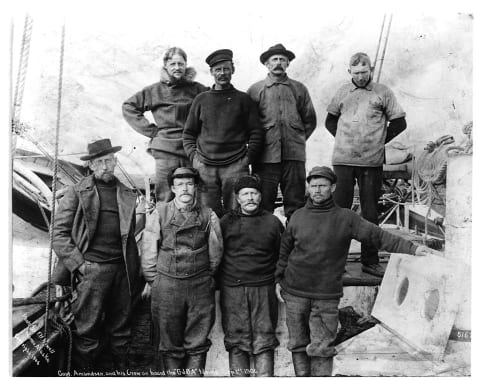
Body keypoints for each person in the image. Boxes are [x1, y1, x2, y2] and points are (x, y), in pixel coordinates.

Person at [275, 166, 431, 377]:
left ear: (333, 187)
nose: (317, 191)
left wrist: (412, 248)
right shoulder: (297, 216)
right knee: (297, 344)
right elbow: (285, 251)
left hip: (326, 296)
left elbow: (378, 237)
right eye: (313, 186)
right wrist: (278, 279)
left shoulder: (346, 218)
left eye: (322, 186)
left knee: (322, 349)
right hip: (294, 293)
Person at [52, 138, 141, 372]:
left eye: (108, 161)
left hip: (122, 271)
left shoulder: (126, 193)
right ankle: (86, 374)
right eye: (99, 162)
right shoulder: (77, 192)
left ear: (115, 162)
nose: (104, 166)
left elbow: (129, 235)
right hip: (92, 271)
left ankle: (121, 372)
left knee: (122, 328)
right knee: (87, 329)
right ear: (90, 165)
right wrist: (80, 265)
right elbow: (58, 235)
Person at [325, 52, 407, 277]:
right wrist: (345, 141)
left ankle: (369, 261)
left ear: (370, 69)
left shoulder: (382, 92)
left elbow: (400, 122)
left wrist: (378, 141)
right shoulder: (343, 92)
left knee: (370, 212)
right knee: (340, 211)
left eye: (364, 72)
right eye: (356, 72)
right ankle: (336, 263)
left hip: (371, 163)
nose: (361, 77)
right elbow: (329, 120)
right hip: (343, 161)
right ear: (349, 72)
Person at [141, 167, 223, 376]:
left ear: (195, 187)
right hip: (167, 287)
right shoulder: (159, 213)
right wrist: (155, 282)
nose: (185, 189)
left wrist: (203, 276)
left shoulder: (208, 215)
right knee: (169, 342)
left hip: (199, 287)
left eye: (189, 184)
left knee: (198, 341)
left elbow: (216, 252)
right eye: (180, 185)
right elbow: (149, 251)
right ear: (173, 189)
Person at [183, 49, 264, 218]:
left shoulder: (243, 99)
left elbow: (256, 132)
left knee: (235, 212)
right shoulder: (201, 100)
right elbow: (189, 133)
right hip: (205, 165)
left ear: (233, 70)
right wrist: (194, 159)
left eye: (226, 69)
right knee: (207, 214)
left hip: (235, 165)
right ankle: (213, 245)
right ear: (211, 72)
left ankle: (235, 245)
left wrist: (247, 159)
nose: (222, 73)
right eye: (218, 69)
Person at [122, 47, 208, 202]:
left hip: (191, 149)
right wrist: (152, 132)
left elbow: (215, 104)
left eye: (181, 64)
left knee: (194, 192)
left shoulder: (197, 89)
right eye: (173, 64)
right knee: (166, 194)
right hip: (165, 150)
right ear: (165, 66)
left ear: (186, 65)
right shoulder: (154, 90)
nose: (177, 68)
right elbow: (129, 106)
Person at [219, 175, 284, 377]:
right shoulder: (226, 222)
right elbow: (216, 254)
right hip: (233, 289)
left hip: (264, 288)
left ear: (260, 196)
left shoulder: (272, 222)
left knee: (264, 340)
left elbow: (282, 255)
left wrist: (279, 281)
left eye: (254, 193)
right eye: (245, 194)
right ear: (237, 198)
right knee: (237, 341)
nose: (250, 198)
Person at [247, 43, 316, 220]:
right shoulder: (256, 90)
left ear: (287, 64)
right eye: (274, 59)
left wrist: (297, 139)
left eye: (282, 60)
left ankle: (294, 245)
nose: (278, 63)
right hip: (265, 158)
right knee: (264, 203)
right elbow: (247, 124)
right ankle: (265, 245)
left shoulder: (298, 89)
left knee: (296, 204)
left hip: (294, 158)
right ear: (267, 64)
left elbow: (310, 120)